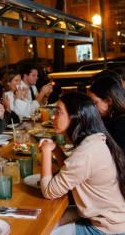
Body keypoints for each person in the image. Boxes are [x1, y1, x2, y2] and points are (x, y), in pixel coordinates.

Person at [39, 92, 125, 235]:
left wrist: (47, 151)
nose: (53, 117)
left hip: (106, 228)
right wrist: (57, 150)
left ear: (76, 117)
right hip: (107, 217)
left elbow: (49, 191)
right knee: (44, 219)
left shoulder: (85, 153)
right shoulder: (95, 140)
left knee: (42, 230)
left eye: (58, 112)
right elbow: (75, 171)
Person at [89, 77, 125, 154]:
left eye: (95, 103)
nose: (93, 108)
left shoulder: (121, 125)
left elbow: (119, 158)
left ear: (108, 101)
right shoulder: (112, 120)